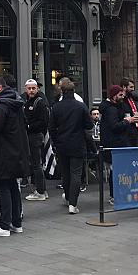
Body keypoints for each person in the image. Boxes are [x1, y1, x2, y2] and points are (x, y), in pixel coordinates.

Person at [0, 74, 30, 236]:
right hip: (15, 152)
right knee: (12, 187)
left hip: (3, 154)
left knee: (3, 188)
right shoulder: (15, 104)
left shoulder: (2, 106)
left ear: (0, 88)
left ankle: (4, 225)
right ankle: (16, 222)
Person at [49, 78, 92, 214]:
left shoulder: (56, 107)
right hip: (77, 143)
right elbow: (89, 125)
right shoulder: (81, 106)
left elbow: (51, 128)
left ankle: (68, 197)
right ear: (74, 91)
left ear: (62, 91)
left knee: (66, 173)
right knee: (76, 174)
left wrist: (56, 141)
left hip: (62, 144)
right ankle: (73, 204)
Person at [23, 78, 50, 201]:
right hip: (31, 136)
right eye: (29, 88)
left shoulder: (40, 102)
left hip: (35, 136)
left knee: (36, 164)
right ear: (26, 89)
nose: (31, 90)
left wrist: (28, 126)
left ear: (37, 89)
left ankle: (40, 191)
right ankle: (40, 189)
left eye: (34, 88)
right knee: (35, 164)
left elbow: (43, 122)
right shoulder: (27, 101)